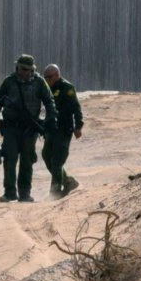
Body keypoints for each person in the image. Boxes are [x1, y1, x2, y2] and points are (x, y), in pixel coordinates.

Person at [0, 54, 57, 203]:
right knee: (9, 159)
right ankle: (10, 192)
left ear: (31, 70)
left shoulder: (39, 83)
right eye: (19, 68)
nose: (21, 71)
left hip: (30, 129)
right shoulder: (9, 82)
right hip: (11, 127)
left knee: (27, 160)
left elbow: (49, 102)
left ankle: (25, 193)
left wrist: (50, 120)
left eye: (25, 69)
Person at [42, 64, 85, 196]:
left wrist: (78, 126)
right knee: (46, 155)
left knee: (57, 160)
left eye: (49, 77)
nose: (47, 80)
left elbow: (76, 108)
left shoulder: (67, 88)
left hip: (64, 128)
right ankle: (67, 181)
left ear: (57, 75)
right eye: (45, 77)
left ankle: (55, 192)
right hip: (51, 129)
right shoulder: (48, 88)